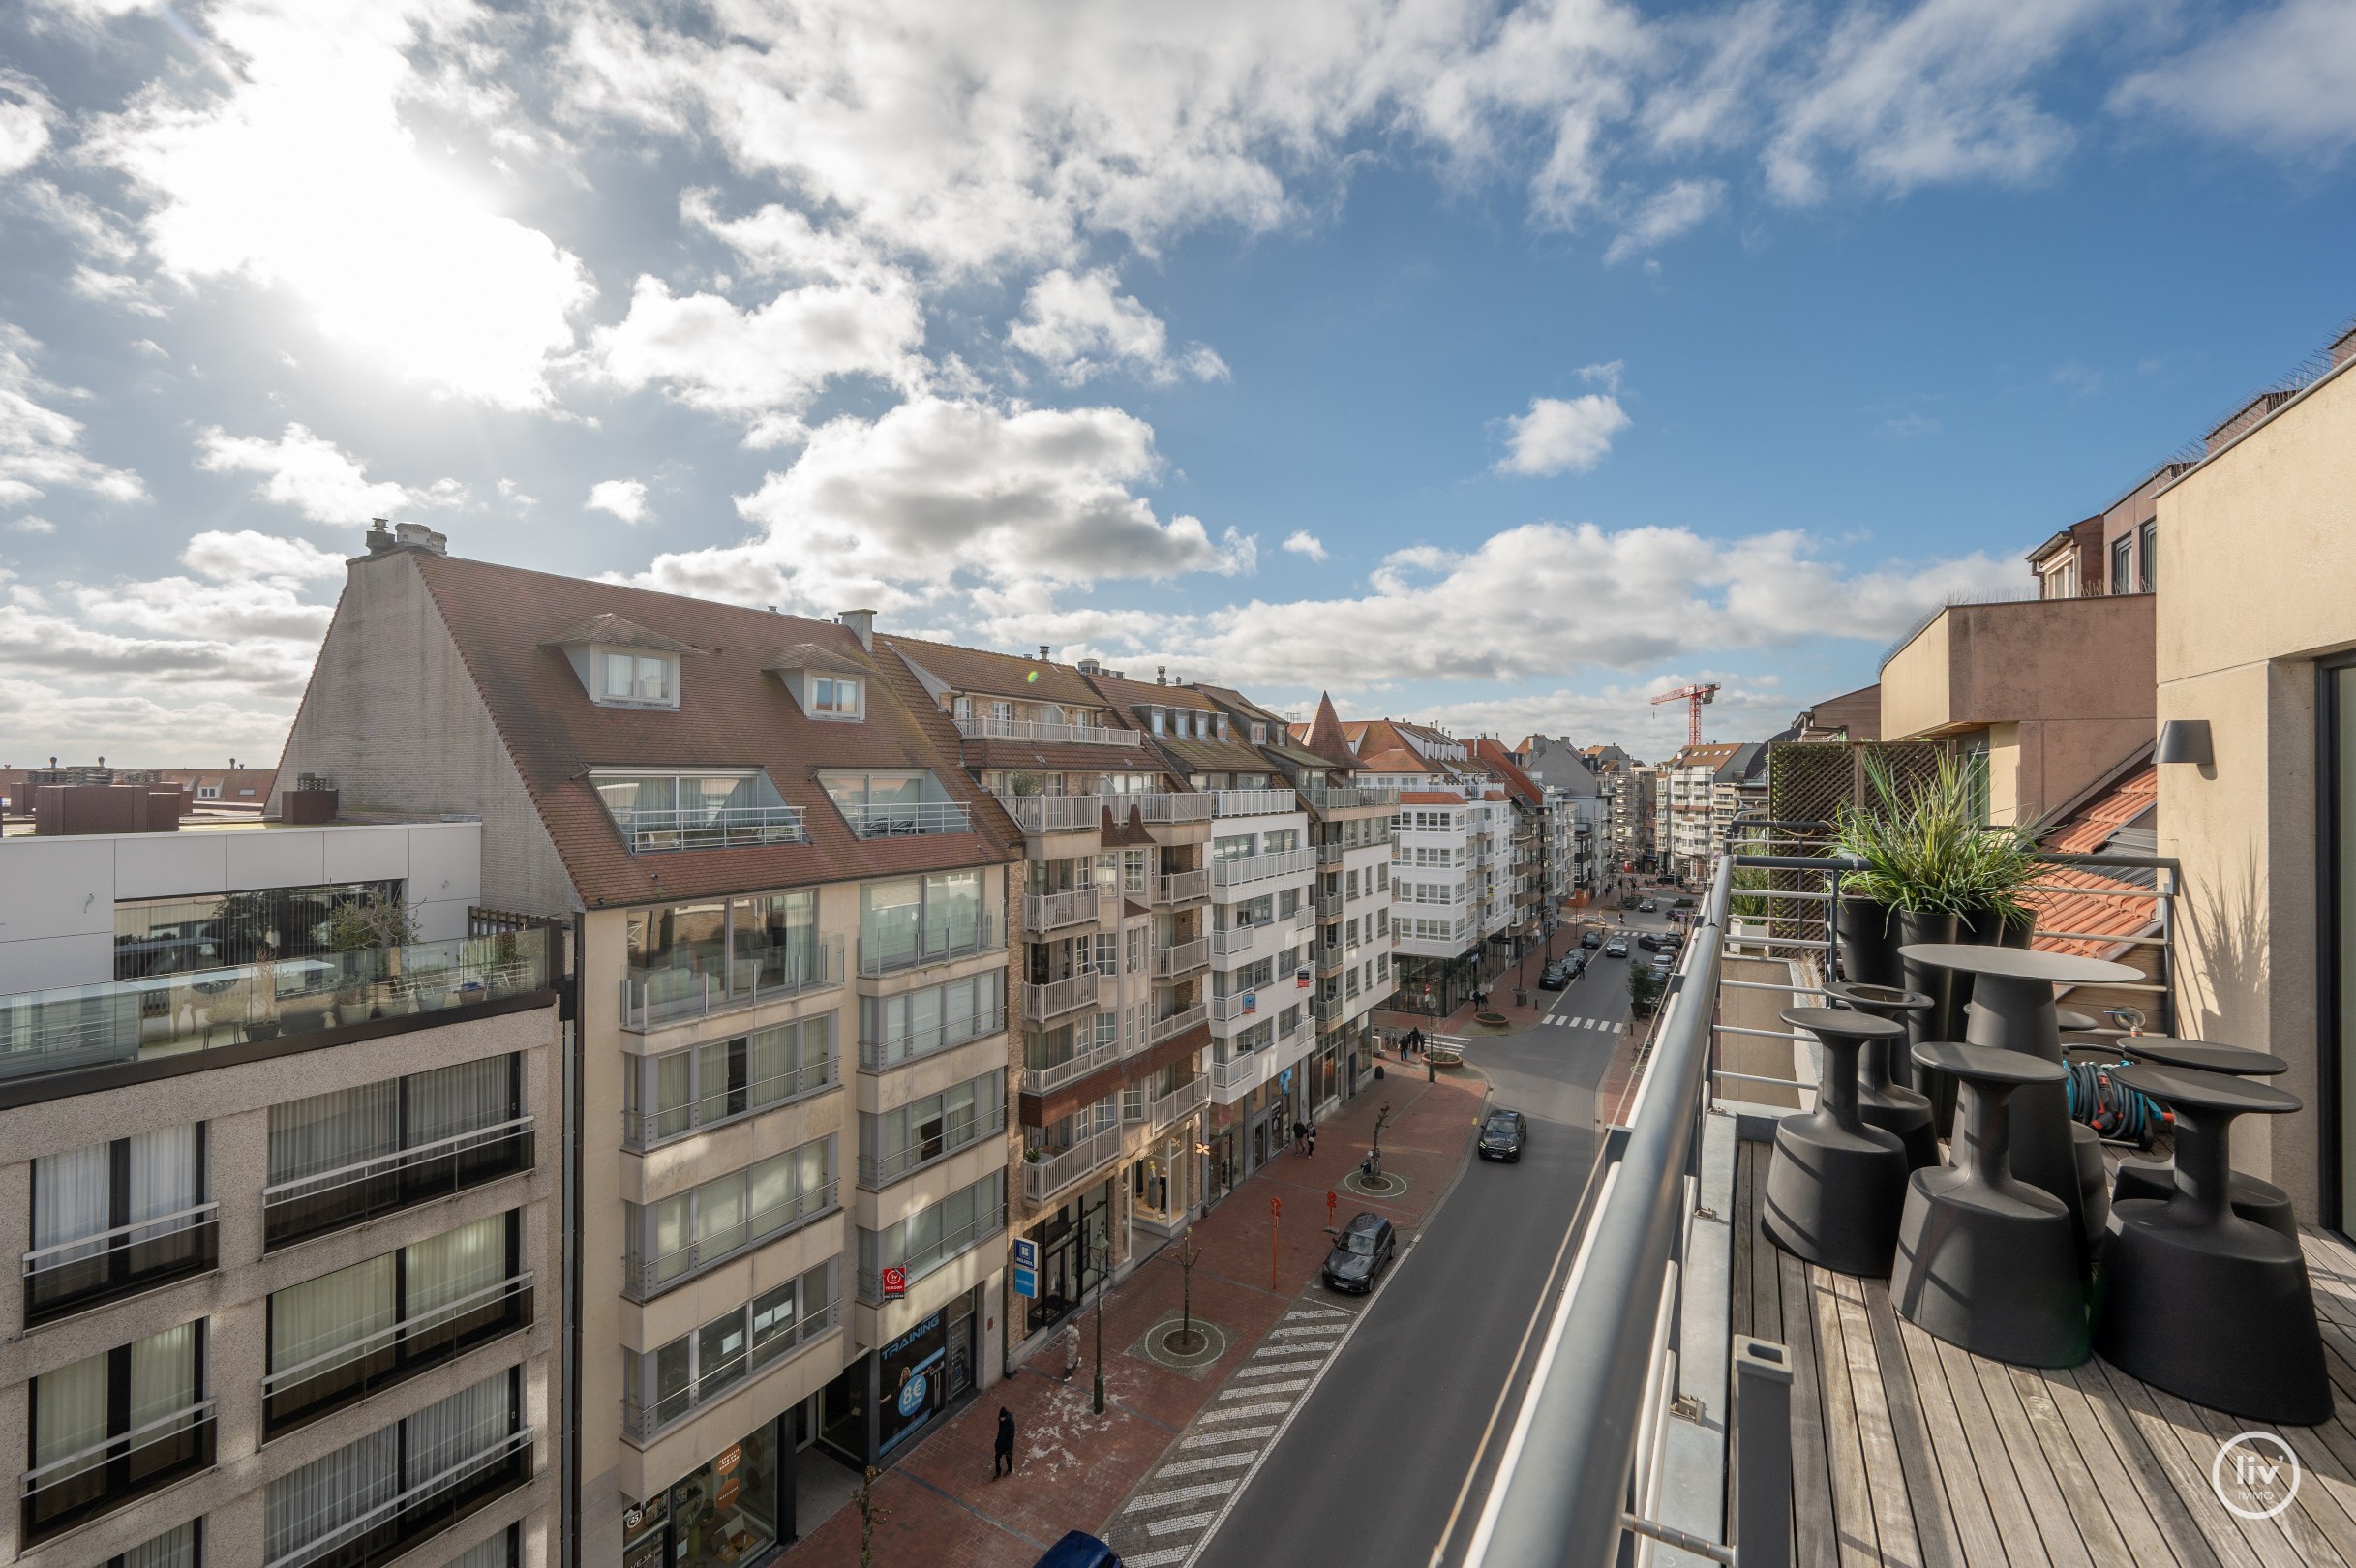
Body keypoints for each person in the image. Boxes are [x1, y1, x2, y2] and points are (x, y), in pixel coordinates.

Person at [993, 1407, 1016, 1478]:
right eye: (1000, 1418)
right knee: (997, 1457)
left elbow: (1011, 1437)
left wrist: (1009, 1448)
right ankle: (998, 1472)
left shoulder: (1011, 1423)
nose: (1001, 1419)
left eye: (1002, 1418)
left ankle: (1010, 1469)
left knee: (1008, 1458)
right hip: (1000, 1443)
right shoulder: (1001, 1421)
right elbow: (1000, 1432)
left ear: (1005, 1416)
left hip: (1007, 1445)